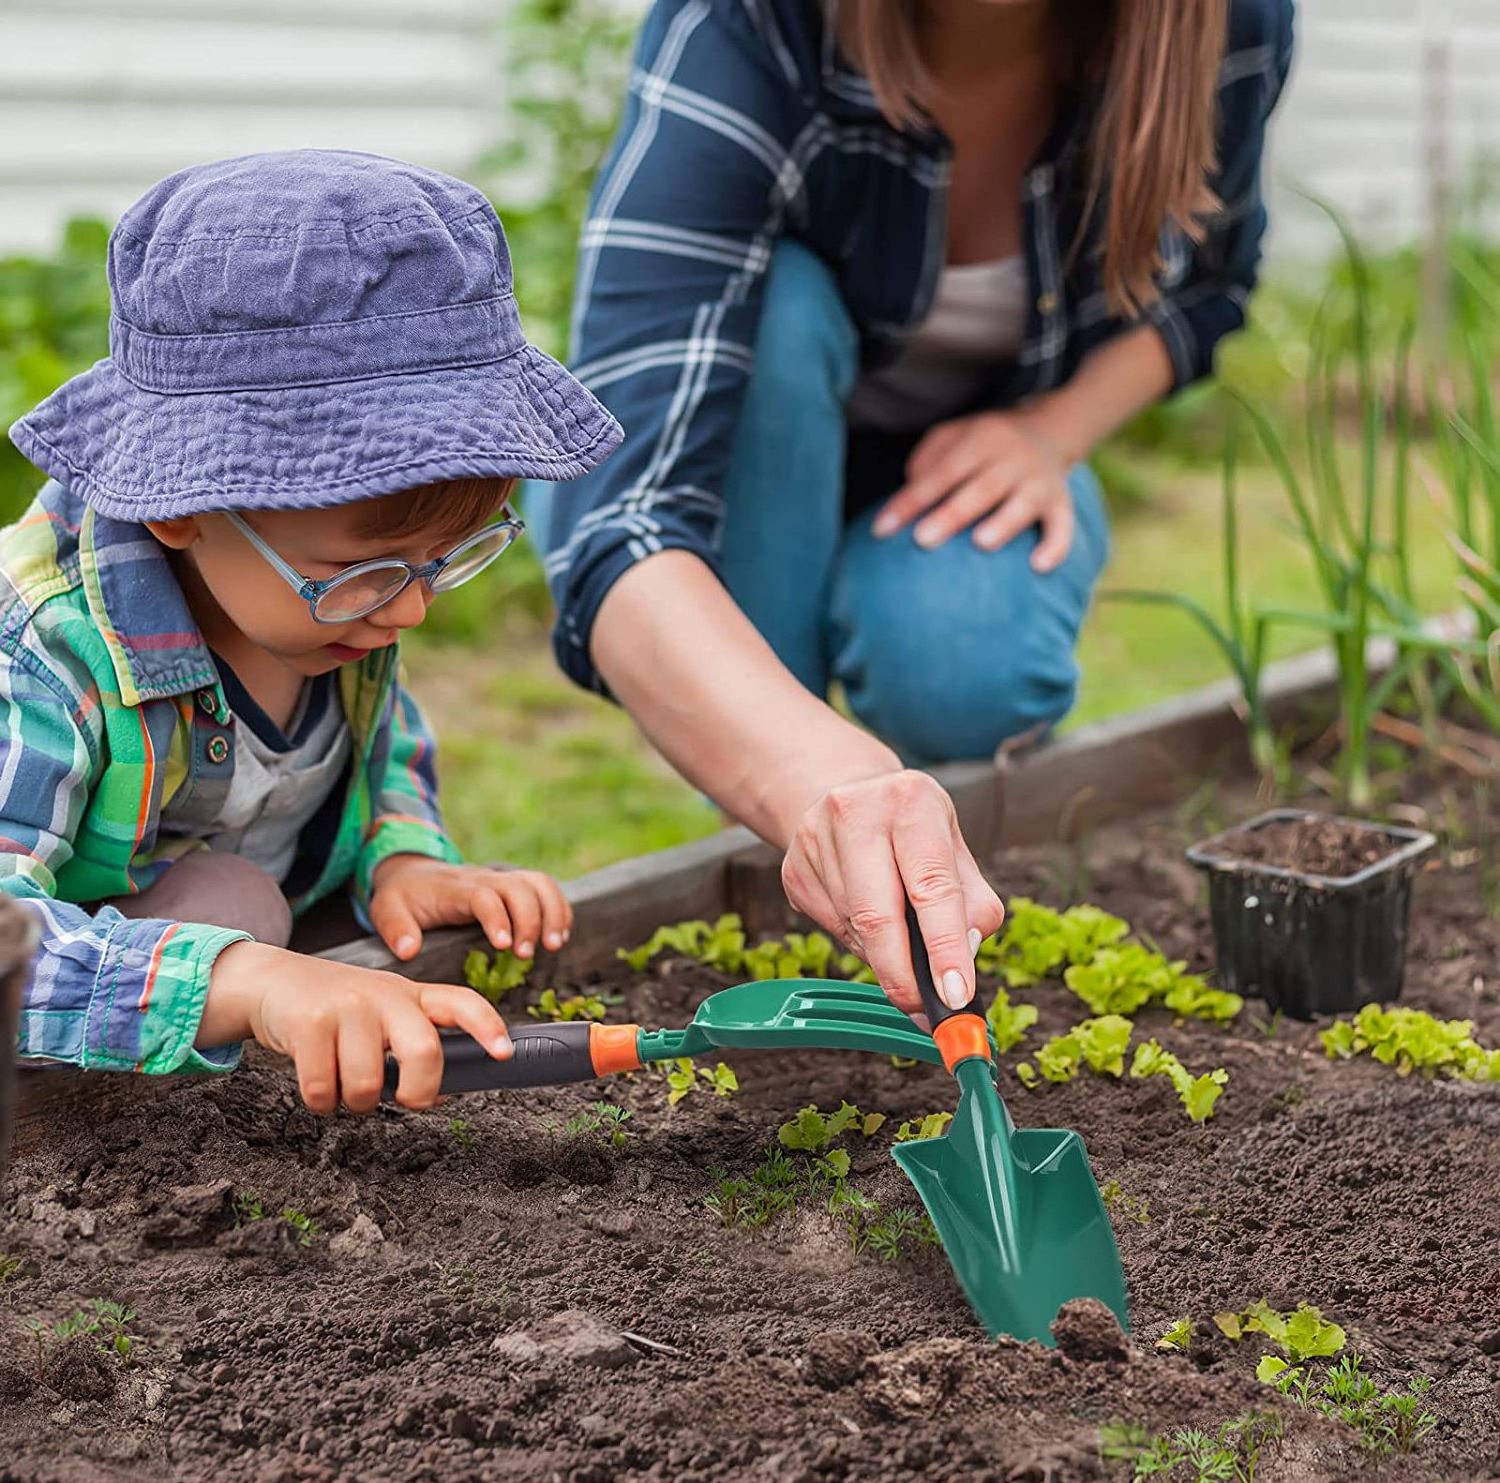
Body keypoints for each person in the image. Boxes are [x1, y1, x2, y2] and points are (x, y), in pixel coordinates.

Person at [531, 0, 1295, 1015]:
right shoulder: (750, 26)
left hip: (966, 456)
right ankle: (788, 844)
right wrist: (815, 775)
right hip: (748, 449)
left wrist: (1053, 432)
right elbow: (617, 511)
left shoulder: (1225, 23)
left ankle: (868, 848)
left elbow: (1214, 289)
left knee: (963, 669)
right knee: (782, 307)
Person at [1, 150, 622, 1114]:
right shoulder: (40, 655)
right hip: (72, 999)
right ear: (180, 507)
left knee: (266, 910)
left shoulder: (325, 606)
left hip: (249, 903)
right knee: (234, 909)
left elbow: (384, 745)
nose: (411, 610)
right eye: (365, 575)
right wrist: (248, 982)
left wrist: (402, 857)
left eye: (448, 559)